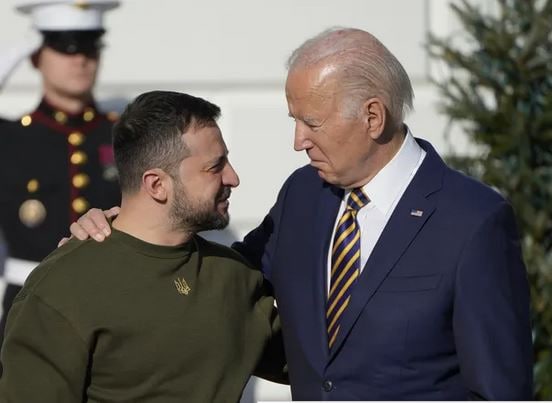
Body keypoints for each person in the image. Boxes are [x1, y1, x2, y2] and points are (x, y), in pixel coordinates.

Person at [68, 27, 533, 400]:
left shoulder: (473, 221)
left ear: (372, 117)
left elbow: (500, 391)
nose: (298, 141)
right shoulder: (304, 194)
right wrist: (127, 235)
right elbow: (221, 281)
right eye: (294, 120)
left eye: (311, 122)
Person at [0, 90, 286, 402]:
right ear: (157, 185)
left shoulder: (233, 275)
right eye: (215, 167)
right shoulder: (62, 289)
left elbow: (314, 362)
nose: (233, 178)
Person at [0, 0, 122, 349]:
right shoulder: (10, 138)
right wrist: (10, 57)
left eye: (90, 47)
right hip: (29, 309)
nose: (80, 59)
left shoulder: (125, 136)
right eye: (65, 46)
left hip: (112, 309)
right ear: (36, 56)